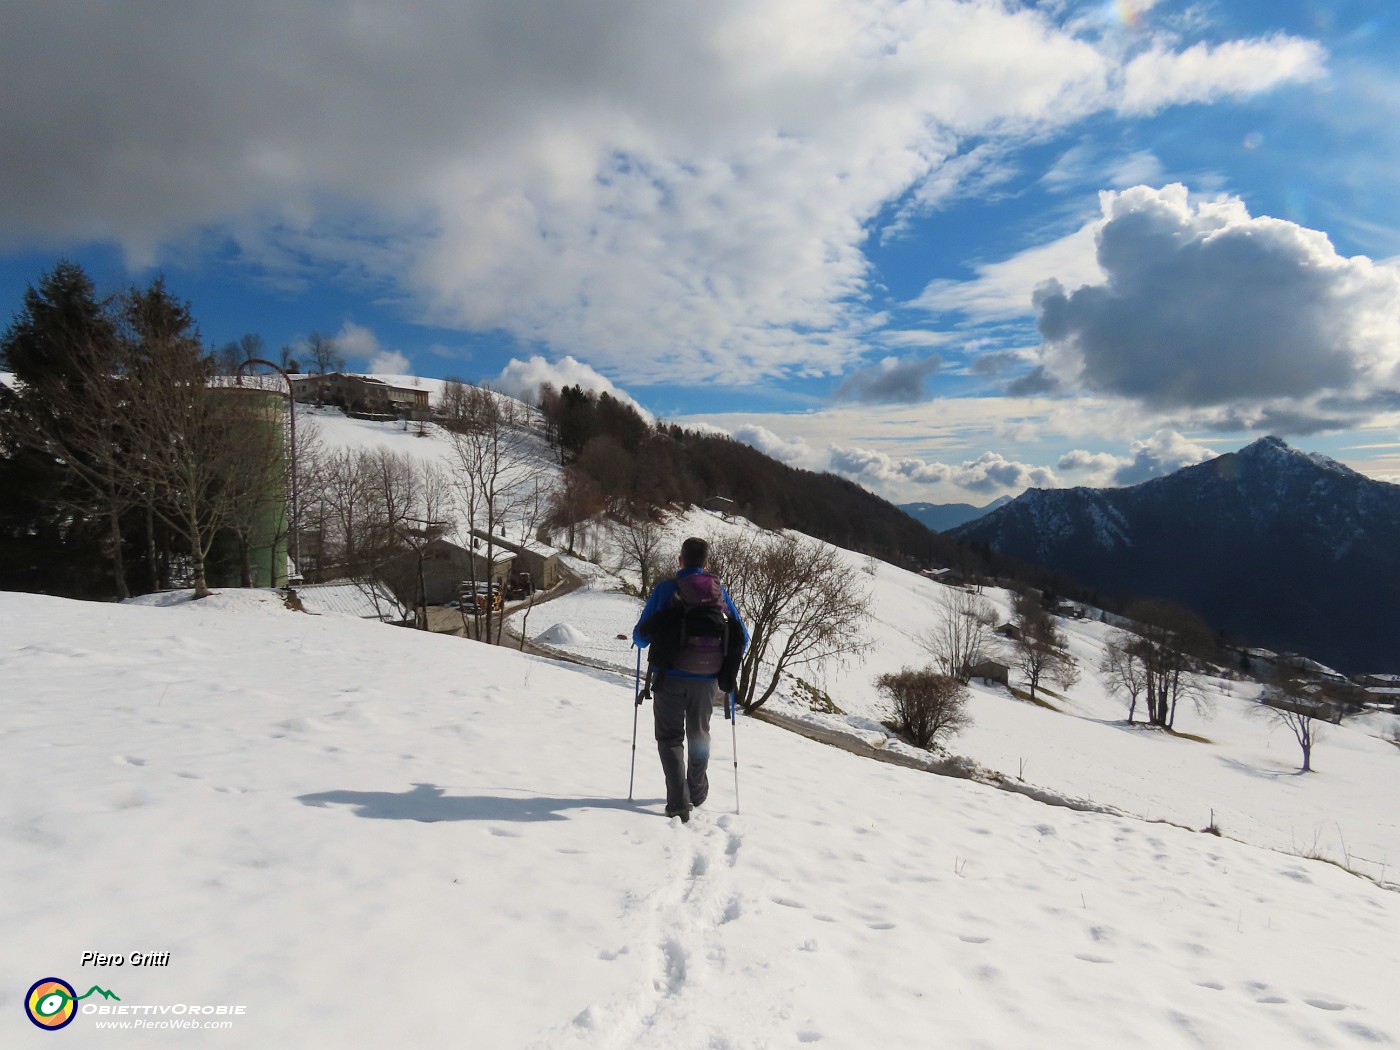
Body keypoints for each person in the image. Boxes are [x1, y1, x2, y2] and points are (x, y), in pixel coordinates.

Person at [633, 536, 747, 822]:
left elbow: (641, 636)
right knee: (699, 735)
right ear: (706, 563)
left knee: (670, 738)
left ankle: (677, 803)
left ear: (680, 560)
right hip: (706, 680)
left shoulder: (666, 591)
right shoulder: (719, 594)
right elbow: (740, 637)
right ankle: (697, 791)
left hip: (669, 676)